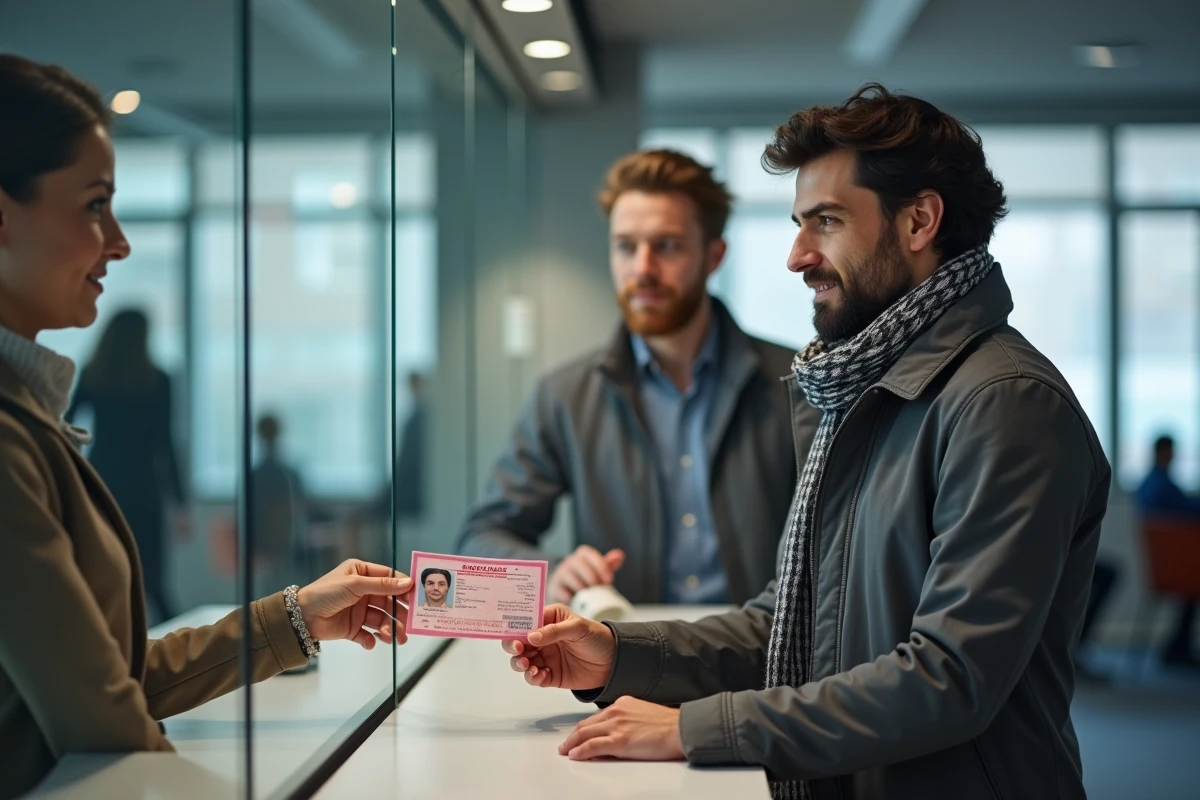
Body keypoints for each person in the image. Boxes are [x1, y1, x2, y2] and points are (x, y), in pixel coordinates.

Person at [501, 84, 1111, 800]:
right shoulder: (860, 388)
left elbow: (949, 678)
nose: (797, 256)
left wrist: (696, 728)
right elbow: (792, 628)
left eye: (826, 220)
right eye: (800, 223)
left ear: (920, 221)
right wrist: (615, 654)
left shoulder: (1005, 404)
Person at [0, 54, 413, 799]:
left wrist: (298, 615)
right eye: (95, 205)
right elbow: (103, 721)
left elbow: (114, 679)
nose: (119, 241)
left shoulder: (31, 410)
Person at [459, 149, 815, 605]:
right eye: (626, 246)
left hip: (759, 646)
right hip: (624, 646)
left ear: (714, 256)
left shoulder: (799, 384)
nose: (642, 269)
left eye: (666, 246)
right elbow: (482, 537)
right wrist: (549, 576)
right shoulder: (566, 397)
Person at [67, 308, 184, 622]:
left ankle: (103, 641)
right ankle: (177, 643)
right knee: (153, 581)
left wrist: (69, 476)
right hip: (144, 487)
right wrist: (180, 501)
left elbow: (66, 426)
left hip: (103, 482)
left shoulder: (94, 375)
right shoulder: (157, 380)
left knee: (103, 573)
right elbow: (165, 443)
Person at [1136, 434, 1199, 667]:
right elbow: (1189, 512)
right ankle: (1179, 648)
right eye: (1171, 452)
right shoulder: (1163, 486)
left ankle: (1178, 647)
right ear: (1163, 452)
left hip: (1166, 566)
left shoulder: (1147, 483)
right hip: (1177, 567)